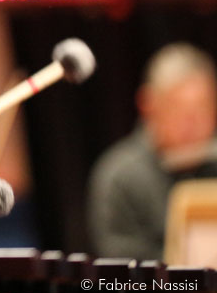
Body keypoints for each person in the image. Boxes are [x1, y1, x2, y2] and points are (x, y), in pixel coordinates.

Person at [87, 43, 217, 260]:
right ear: (148, 105)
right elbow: (119, 260)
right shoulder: (119, 177)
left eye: (202, 108)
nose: (193, 123)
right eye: (179, 109)